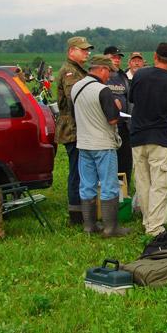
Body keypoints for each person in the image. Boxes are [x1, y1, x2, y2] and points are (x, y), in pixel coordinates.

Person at [129, 42, 167, 236]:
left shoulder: (139, 75)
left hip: (137, 136)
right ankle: (155, 228)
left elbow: (132, 99)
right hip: (160, 137)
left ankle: (148, 221)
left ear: (154, 56)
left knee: (143, 181)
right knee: (159, 183)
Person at [71, 55, 129, 237]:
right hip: (103, 144)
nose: (109, 76)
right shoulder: (102, 90)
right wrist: (117, 105)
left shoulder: (76, 87)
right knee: (108, 184)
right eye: (109, 72)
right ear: (102, 69)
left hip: (83, 143)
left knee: (86, 184)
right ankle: (111, 228)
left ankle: (89, 226)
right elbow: (112, 119)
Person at [56, 36, 93, 225]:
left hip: (78, 126)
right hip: (72, 127)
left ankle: (81, 211)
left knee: (81, 170)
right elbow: (74, 97)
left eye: (87, 49)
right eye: (83, 49)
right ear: (71, 51)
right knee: (76, 172)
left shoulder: (78, 70)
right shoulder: (69, 72)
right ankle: (76, 215)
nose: (87, 52)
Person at [104, 46, 133, 190]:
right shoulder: (103, 77)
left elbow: (129, 99)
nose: (116, 60)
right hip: (107, 127)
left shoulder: (123, 76)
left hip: (124, 126)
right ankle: (109, 191)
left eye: (119, 58)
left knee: (125, 161)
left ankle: (125, 191)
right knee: (109, 162)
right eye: (113, 57)